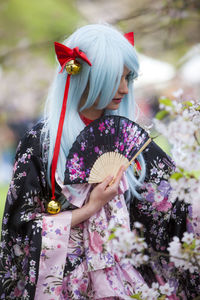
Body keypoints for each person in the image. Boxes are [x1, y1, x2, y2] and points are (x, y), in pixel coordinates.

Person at [0, 24, 199, 300]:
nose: (124, 89)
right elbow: (19, 232)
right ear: (85, 77)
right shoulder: (41, 143)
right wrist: (92, 207)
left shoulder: (133, 142)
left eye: (128, 78)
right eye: (115, 78)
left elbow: (176, 207)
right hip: (67, 286)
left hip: (129, 279)